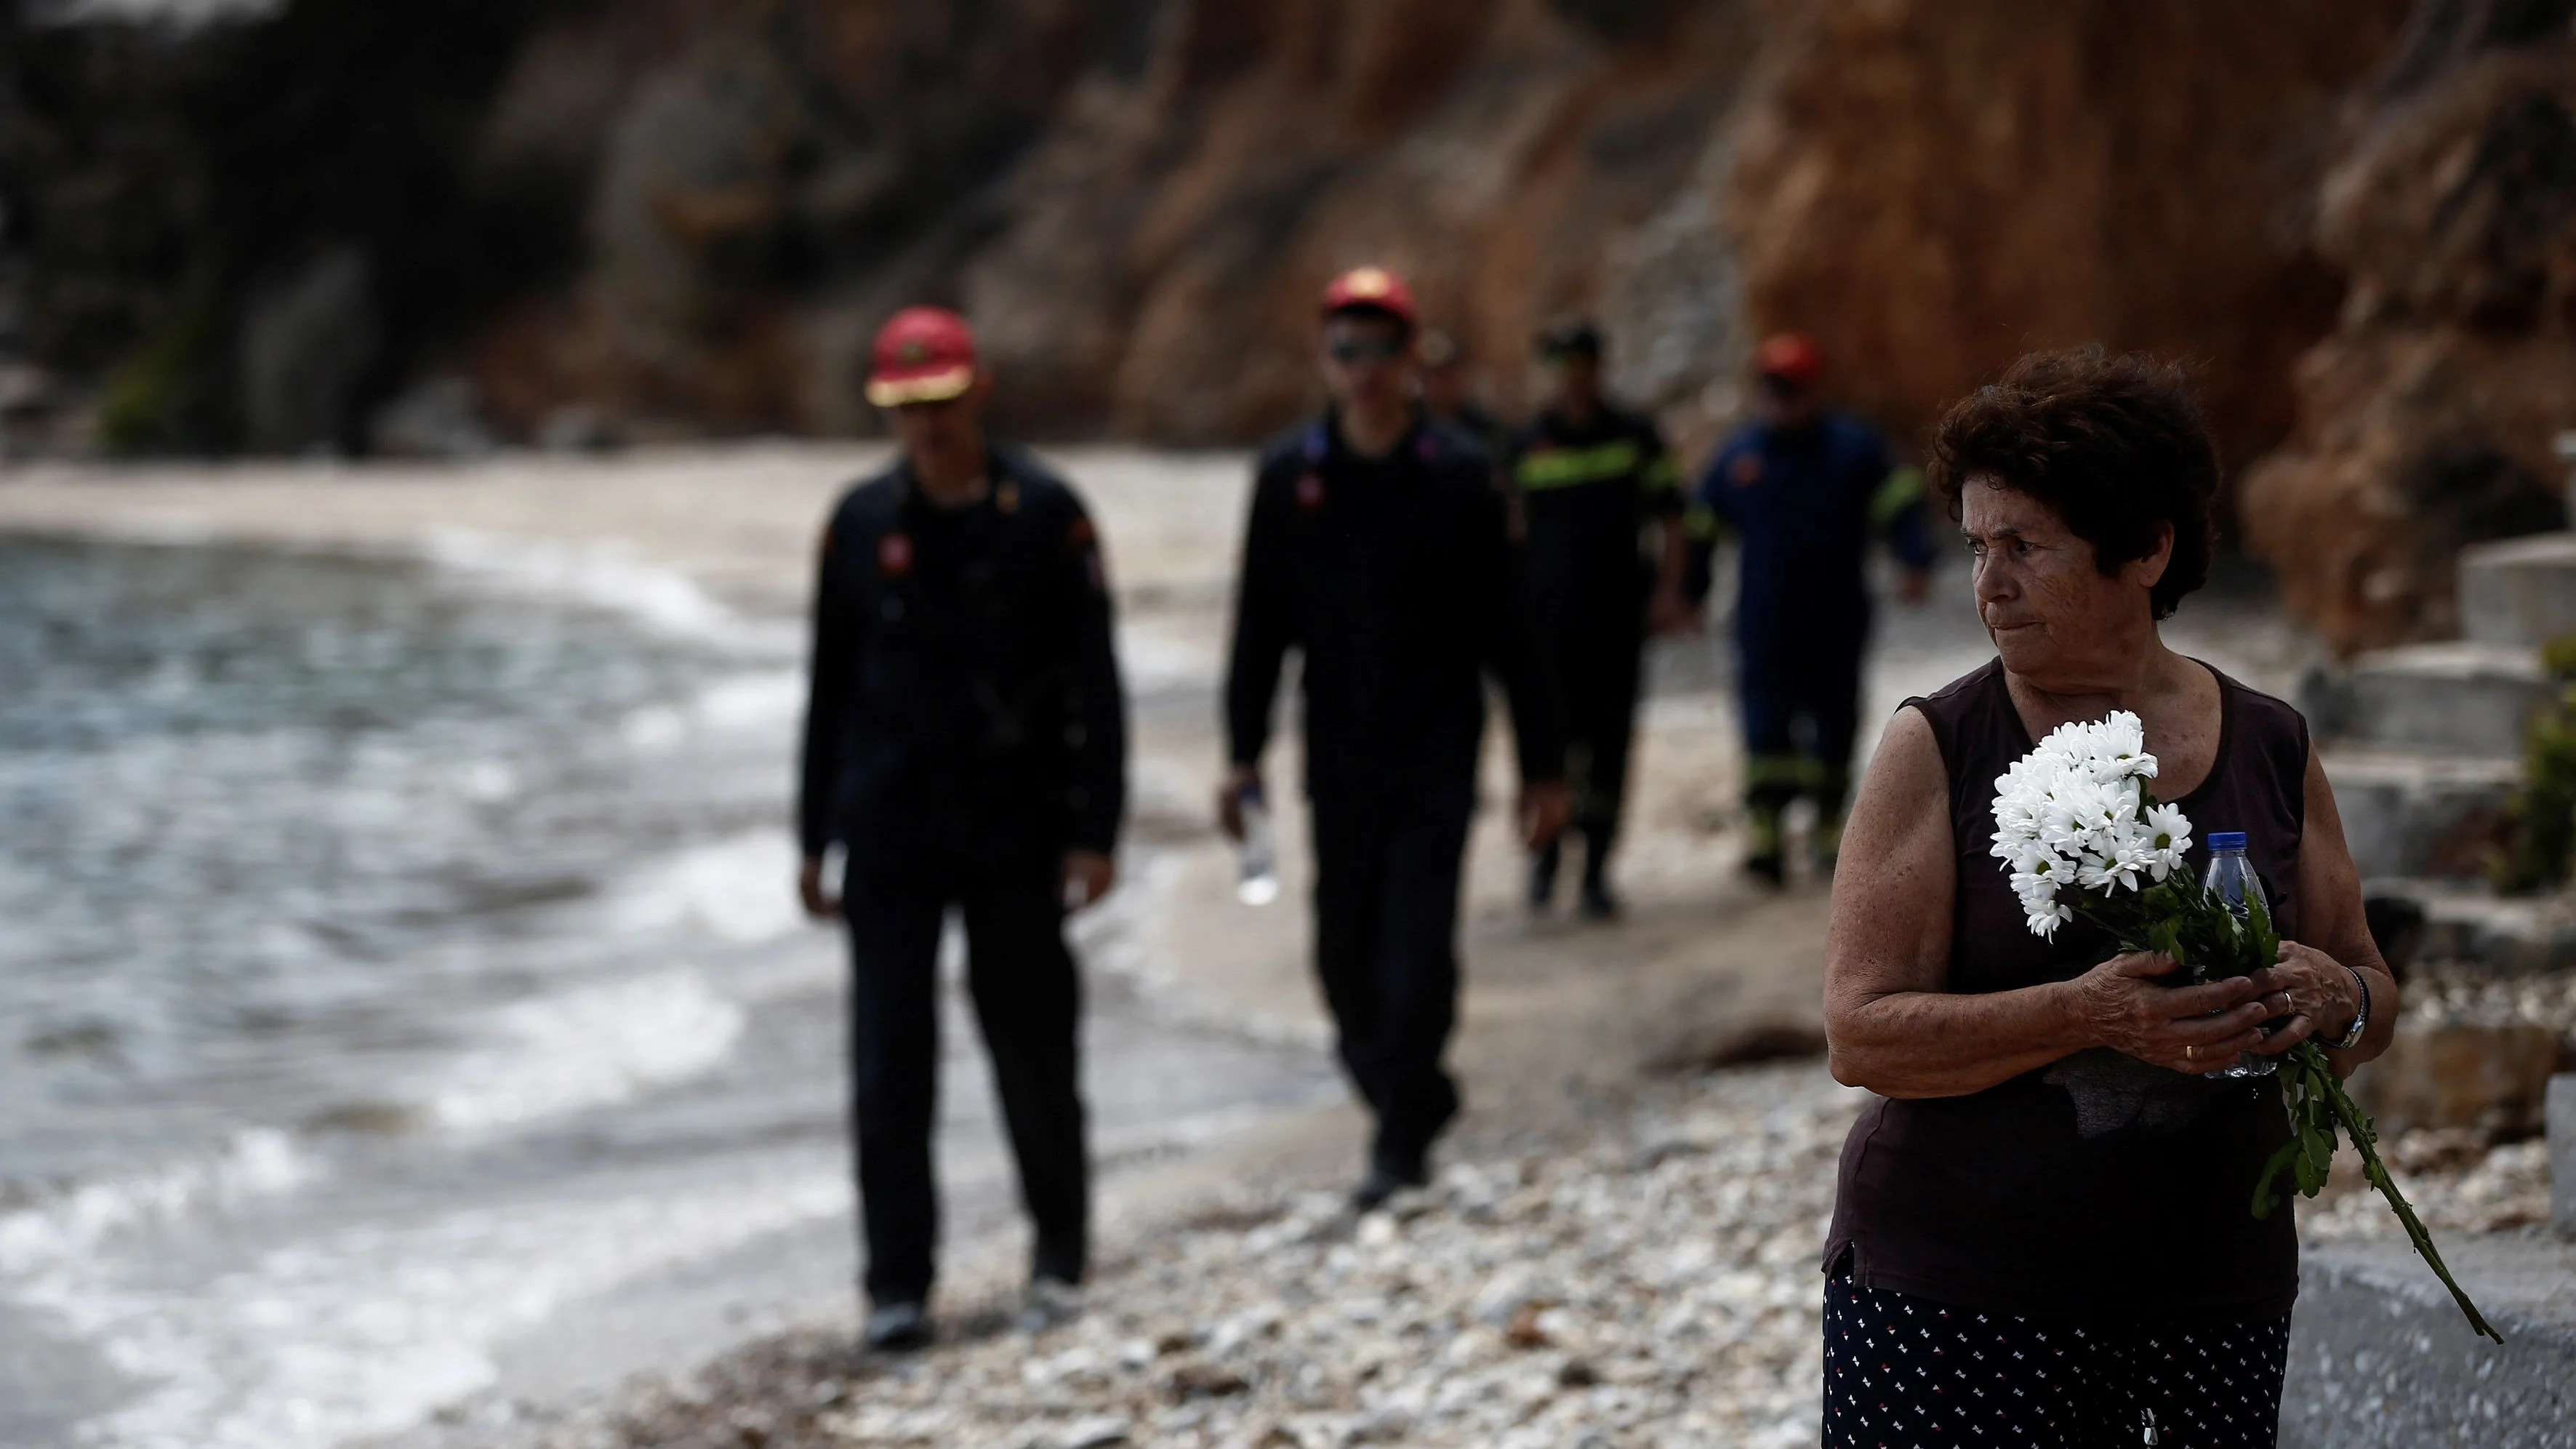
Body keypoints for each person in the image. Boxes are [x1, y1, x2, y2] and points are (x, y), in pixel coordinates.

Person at [1819, 348, 2395, 1448]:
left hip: (2212, 1297)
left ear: (2146, 547)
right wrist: (2086, 1013)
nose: (1986, 584)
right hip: (1960, 1294)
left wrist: (2336, 1005)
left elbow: (2366, 984)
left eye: (2024, 547)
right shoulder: (1936, 744)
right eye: (1977, 546)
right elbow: (1860, 1033)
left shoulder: (2268, 742)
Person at [797, 305, 1126, 1352]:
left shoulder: (1045, 513)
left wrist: (1095, 825)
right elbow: (828, 689)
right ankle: (896, 1285)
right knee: (889, 1061)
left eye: (940, 402)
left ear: (977, 391)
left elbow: (1095, 683)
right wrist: (810, 836)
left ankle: (1059, 1252)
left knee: (1031, 1044)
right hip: (888, 826)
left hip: (1014, 823)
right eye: (904, 409)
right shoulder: (856, 524)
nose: (926, 427)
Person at [1221, 265, 1568, 1211]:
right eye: (1345, 347)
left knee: (1416, 948)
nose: (1362, 366)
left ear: (1410, 358)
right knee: (1342, 954)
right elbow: (1258, 625)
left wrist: (1542, 768)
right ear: (1322, 358)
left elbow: (1511, 629)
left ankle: (1397, 1140)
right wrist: (1240, 752)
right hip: (1335, 753)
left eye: (1381, 347)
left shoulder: (1458, 475)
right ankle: (1414, 1093)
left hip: (1434, 749)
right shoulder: (1287, 479)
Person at [1688, 333, 1933, 884]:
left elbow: (1899, 503)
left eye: (1790, 389)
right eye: (1770, 389)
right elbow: (1702, 523)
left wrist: (1912, 559)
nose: (1779, 401)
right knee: (1763, 728)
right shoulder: (1739, 457)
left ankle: (1826, 832)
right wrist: (1689, 591)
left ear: (1812, 389)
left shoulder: (1851, 448)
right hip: (1764, 619)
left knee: (1833, 721)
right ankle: (1766, 837)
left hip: (1835, 615)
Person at [1504, 316, 1693, 918]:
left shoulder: (1634, 437)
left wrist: (1669, 592)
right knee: (1548, 747)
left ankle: (1594, 872)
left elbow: (1672, 520)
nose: (1572, 379)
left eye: (1581, 365)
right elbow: (1502, 532)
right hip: (1545, 630)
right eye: (1562, 366)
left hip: (1616, 625)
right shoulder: (1526, 443)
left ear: (1598, 367)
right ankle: (1545, 861)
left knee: (1607, 750)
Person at [1418, 327, 1504, 452]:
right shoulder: (1410, 426)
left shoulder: (1484, 428)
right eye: (1430, 375)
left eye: (1444, 375)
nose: (1437, 384)